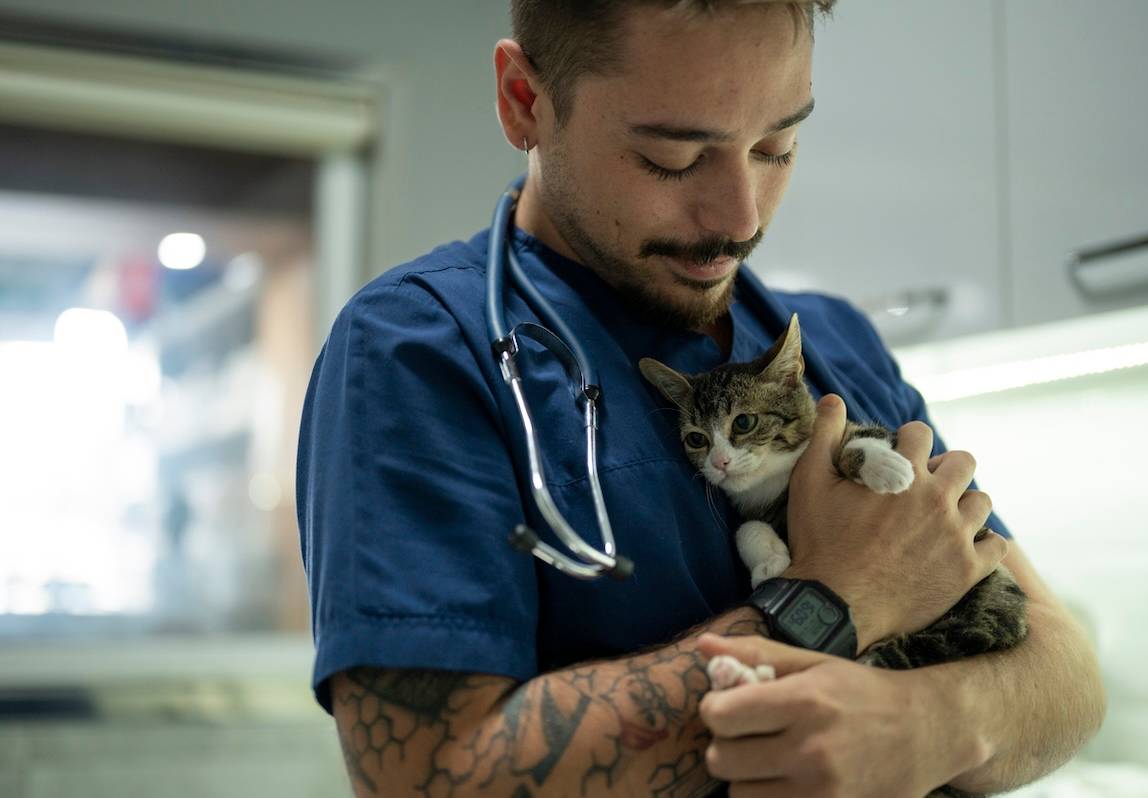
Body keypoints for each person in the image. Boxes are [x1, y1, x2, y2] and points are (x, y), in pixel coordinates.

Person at [296, 1, 1106, 795]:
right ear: (525, 103)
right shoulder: (420, 348)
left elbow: (1065, 670)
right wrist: (835, 598)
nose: (740, 217)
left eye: (777, 147)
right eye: (673, 159)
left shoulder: (829, 341)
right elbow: (429, 775)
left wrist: (923, 723)